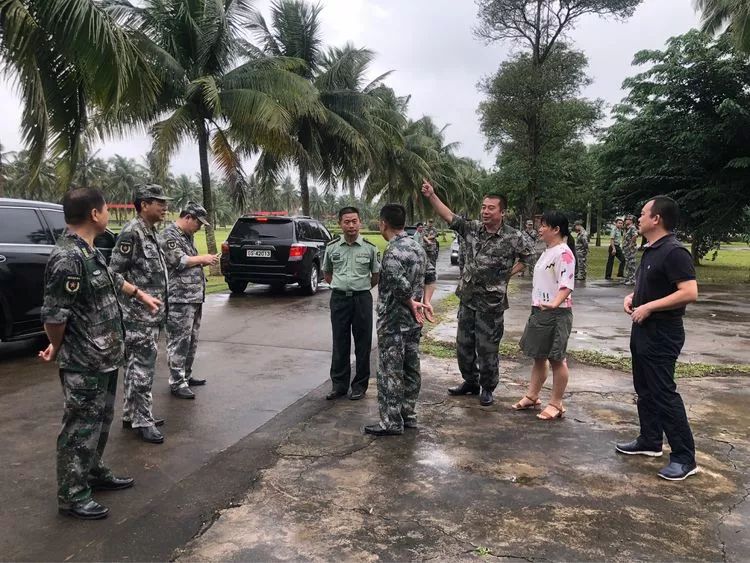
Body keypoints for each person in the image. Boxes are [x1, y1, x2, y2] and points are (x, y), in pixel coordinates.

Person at [39, 188, 161, 520]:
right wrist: (57, 345)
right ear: (95, 214)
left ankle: (93, 472)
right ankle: (72, 494)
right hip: (84, 362)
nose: (109, 214)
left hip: (104, 357)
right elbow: (53, 316)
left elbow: (112, 278)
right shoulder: (67, 257)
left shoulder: (89, 251)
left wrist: (140, 294)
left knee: (100, 422)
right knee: (79, 427)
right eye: (106, 209)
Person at [421, 180, 532, 406]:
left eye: (491, 208)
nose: (485, 211)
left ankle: (488, 387)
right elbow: (449, 216)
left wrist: (508, 274)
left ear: (502, 212)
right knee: (463, 344)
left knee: (488, 348)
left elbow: (528, 257)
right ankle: (470, 381)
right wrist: (432, 195)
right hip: (468, 298)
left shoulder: (513, 236)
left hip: (491, 303)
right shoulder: (472, 229)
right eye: (483, 207)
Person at [617, 196, 699, 481]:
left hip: (663, 332)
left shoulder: (675, 251)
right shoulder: (651, 250)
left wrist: (649, 306)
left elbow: (689, 292)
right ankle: (650, 440)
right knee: (645, 388)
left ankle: (684, 457)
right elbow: (652, 286)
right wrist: (634, 297)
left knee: (664, 391)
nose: (637, 218)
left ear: (657, 219)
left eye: (642, 214)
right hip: (642, 330)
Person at [363, 204, 433, 436]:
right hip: (414, 320)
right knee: (411, 366)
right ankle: (408, 414)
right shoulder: (418, 247)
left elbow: (398, 283)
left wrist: (410, 300)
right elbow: (429, 276)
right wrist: (421, 302)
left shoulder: (393, 252)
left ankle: (391, 421)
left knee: (390, 370)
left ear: (383, 223)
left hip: (393, 320)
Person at [110, 184, 170, 444]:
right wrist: (137, 296)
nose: (164, 206)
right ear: (144, 204)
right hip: (137, 316)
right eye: (159, 202)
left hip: (150, 315)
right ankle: (142, 420)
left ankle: (132, 414)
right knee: (141, 369)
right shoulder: (132, 232)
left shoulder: (150, 231)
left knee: (139, 367)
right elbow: (113, 273)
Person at [513, 211, 576, 420]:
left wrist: (554, 304)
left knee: (557, 358)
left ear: (556, 229)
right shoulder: (546, 251)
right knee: (538, 356)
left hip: (557, 312)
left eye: (544, 226)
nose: (540, 229)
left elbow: (566, 285)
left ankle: (556, 403)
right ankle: (532, 396)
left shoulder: (564, 253)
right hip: (540, 310)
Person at [160, 202, 218, 400]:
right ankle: (176, 381)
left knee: (191, 339)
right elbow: (179, 261)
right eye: (198, 223)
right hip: (179, 298)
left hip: (192, 296)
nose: (200, 227)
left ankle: (186, 374)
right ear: (188, 218)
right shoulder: (170, 235)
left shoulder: (186, 236)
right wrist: (204, 258)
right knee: (179, 340)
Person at [323, 207, 381, 401]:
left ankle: (359, 385)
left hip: (362, 299)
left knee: (363, 343)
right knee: (340, 342)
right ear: (340, 223)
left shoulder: (369, 248)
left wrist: (359, 287)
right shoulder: (332, 248)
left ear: (360, 223)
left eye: (354, 221)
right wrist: (342, 286)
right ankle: (339, 385)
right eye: (347, 222)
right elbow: (327, 274)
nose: (351, 225)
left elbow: (375, 276)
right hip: (339, 299)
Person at [622, 215, 639, 286]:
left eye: (627, 219)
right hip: (626, 249)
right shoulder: (627, 228)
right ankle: (628, 278)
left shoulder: (632, 227)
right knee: (628, 264)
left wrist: (631, 244)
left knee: (631, 264)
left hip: (630, 249)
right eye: (626, 219)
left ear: (631, 220)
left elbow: (635, 235)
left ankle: (632, 280)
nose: (626, 221)